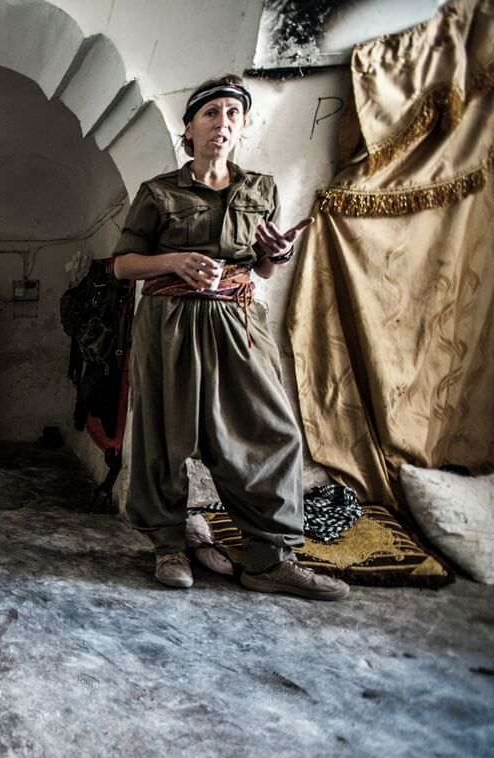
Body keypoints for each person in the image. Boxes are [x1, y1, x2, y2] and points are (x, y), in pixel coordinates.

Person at [112, 75, 348, 601]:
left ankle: (268, 559)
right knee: (164, 436)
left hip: (238, 322)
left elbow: (262, 270)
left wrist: (276, 254)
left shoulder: (260, 189)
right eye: (211, 114)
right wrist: (174, 259)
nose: (222, 124)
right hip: (170, 320)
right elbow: (123, 265)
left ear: (242, 127)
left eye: (232, 115)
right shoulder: (158, 192)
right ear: (190, 127)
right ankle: (169, 545)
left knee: (271, 432)